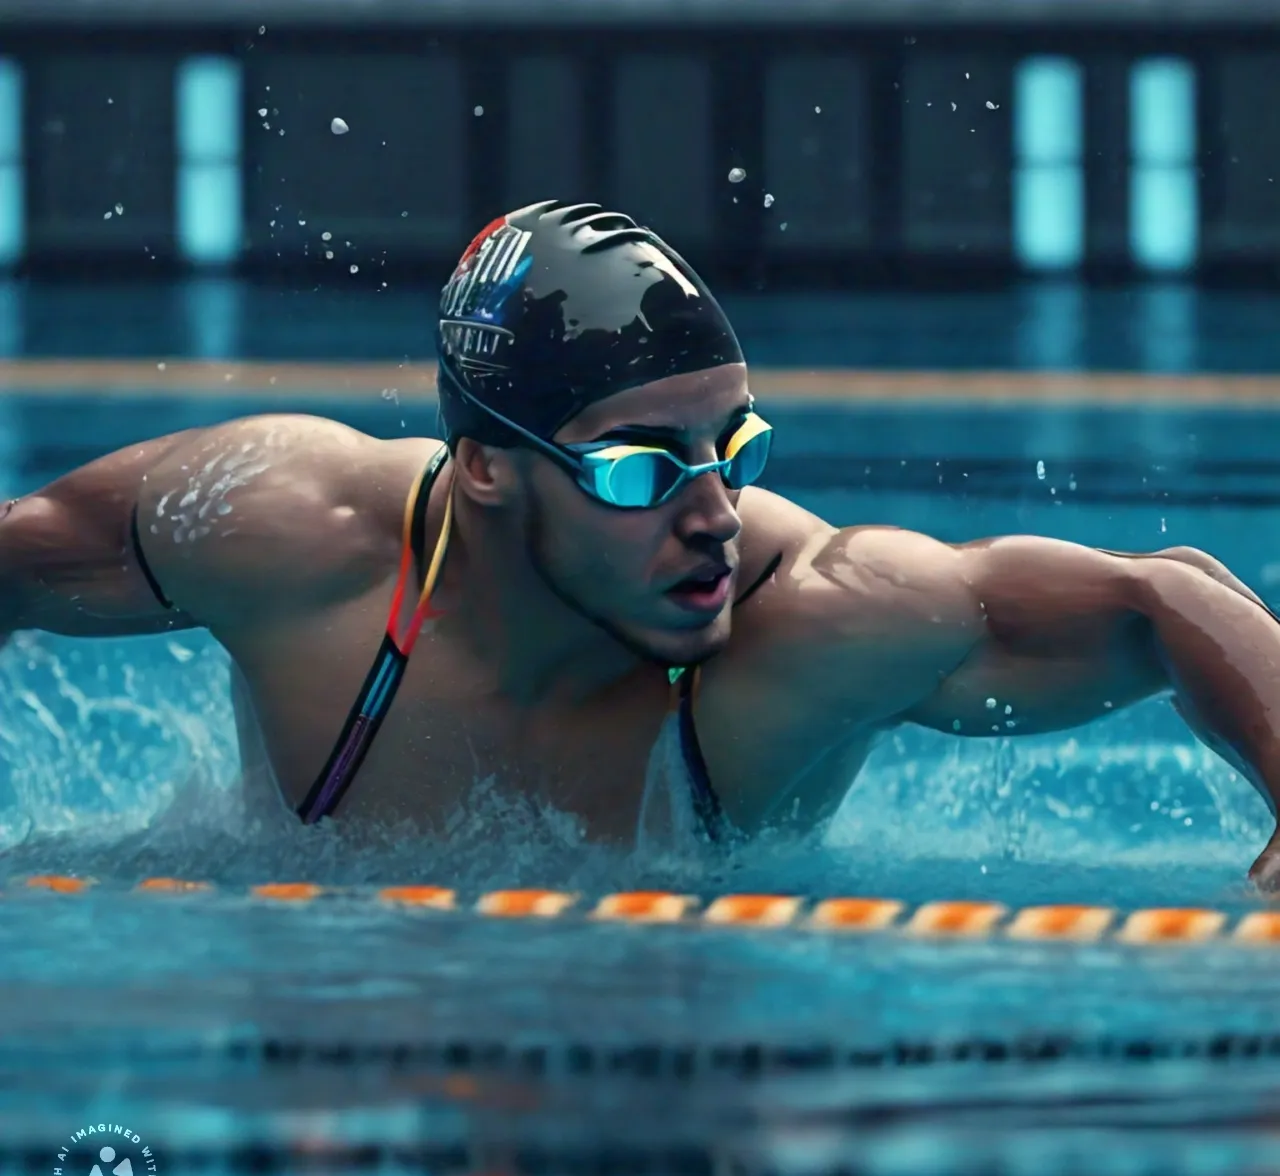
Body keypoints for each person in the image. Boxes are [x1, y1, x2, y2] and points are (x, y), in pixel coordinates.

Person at [1, 199, 1278, 886]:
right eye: (638, 468)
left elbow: (1160, 598)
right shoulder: (288, 533)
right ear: (486, 467)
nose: (712, 512)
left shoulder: (812, 624)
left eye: (734, 446)